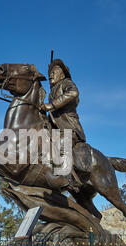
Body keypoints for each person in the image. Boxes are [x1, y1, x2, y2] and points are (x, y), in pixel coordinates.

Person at [40, 59, 89, 191]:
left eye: (54, 72)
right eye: (49, 73)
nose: (50, 75)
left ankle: (68, 179)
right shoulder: (51, 92)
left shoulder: (66, 83)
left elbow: (73, 93)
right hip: (55, 129)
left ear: (62, 74)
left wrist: (52, 105)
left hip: (69, 127)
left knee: (62, 144)